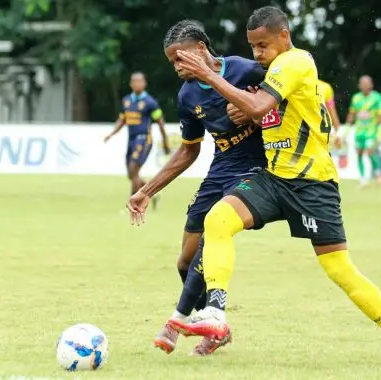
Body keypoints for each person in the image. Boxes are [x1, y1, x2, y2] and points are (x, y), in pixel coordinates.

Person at [158, 6, 381, 368]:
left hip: (314, 184)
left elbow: (260, 103)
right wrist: (244, 108)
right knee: (218, 220)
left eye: (264, 45)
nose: (258, 54)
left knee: (340, 271)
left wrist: (222, 84)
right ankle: (215, 315)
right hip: (275, 179)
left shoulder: (297, 61)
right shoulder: (267, 71)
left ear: (284, 35)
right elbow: (261, 107)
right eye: (253, 47)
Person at [126, 20, 267, 356]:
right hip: (220, 170)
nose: (176, 66)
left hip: (254, 170)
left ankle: (178, 321)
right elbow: (190, 149)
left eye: (180, 58)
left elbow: (283, 105)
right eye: (171, 61)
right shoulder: (187, 96)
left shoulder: (247, 70)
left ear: (202, 49)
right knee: (184, 262)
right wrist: (148, 189)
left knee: (210, 236)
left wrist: (255, 114)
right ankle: (216, 330)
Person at [104, 72, 170, 208]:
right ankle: (152, 193)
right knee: (131, 174)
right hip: (131, 140)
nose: (137, 84)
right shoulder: (126, 101)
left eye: (140, 81)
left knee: (133, 169)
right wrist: (111, 134)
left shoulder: (150, 103)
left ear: (144, 84)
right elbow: (122, 120)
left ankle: (132, 204)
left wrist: (165, 142)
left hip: (144, 139)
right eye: (135, 82)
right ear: (131, 84)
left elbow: (161, 123)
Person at [345, 75, 381, 187]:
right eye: (361, 83)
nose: (363, 85)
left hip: (371, 132)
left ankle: (378, 173)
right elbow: (351, 114)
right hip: (359, 132)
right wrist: (346, 130)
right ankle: (363, 179)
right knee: (359, 153)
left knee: (370, 152)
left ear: (371, 85)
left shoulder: (377, 98)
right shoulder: (356, 98)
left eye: (365, 83)